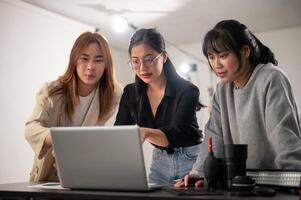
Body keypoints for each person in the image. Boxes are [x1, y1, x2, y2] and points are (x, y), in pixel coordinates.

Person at [175, 19, 301, 188]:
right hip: (239, 183)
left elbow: (282, 133)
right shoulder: (222, 90)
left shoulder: (271, 78)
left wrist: (295, 178)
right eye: (211, 57)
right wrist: (200, 172)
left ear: (245, 51)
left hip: (275, 182)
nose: (216, 64)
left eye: (223, 56)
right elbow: (214, 136)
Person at [25, 32, 122, 182]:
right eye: (84, 59)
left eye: (98, 60)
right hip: (48, 174)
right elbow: (31, 129)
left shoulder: (113, 95)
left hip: (84, 174)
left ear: (106, 65)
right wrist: (60, 139)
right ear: (74, 60)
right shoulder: (51, 91)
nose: (90, 67)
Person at [114, 28, 203, 185]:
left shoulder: (188, 90)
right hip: (159, 162)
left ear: (164, 57)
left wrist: (145, 132)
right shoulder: (130, 93)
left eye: (149, 59)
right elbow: (119, 132)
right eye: (135, 61)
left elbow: (174, 136)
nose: (142, 68)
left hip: (191, 161)